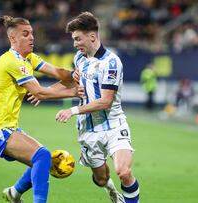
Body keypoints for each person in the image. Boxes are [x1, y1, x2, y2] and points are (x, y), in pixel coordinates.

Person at [0, 15, 83, 203]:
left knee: (42, 162)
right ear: (13, 39)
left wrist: (74, 74)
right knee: (42, 157)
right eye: (25, 34)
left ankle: (14, 193)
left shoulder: (28, 58)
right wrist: (75, 92)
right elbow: (39, 93)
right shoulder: (12, 61)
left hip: (7, 128)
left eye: (32, 34)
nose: (31, 38)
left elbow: (57, 72)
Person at [55, 12, 140, 203]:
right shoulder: (79, 58)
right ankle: (110, 190)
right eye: (74, 39)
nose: (75, 44)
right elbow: (75, 81)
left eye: (78, 39)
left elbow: (105, 101)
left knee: (123, 172)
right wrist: (42, 92)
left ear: (92, 36)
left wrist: (72, 111)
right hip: (88, 129)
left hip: (113, 124)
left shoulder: (111, 62)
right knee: (101, 179)